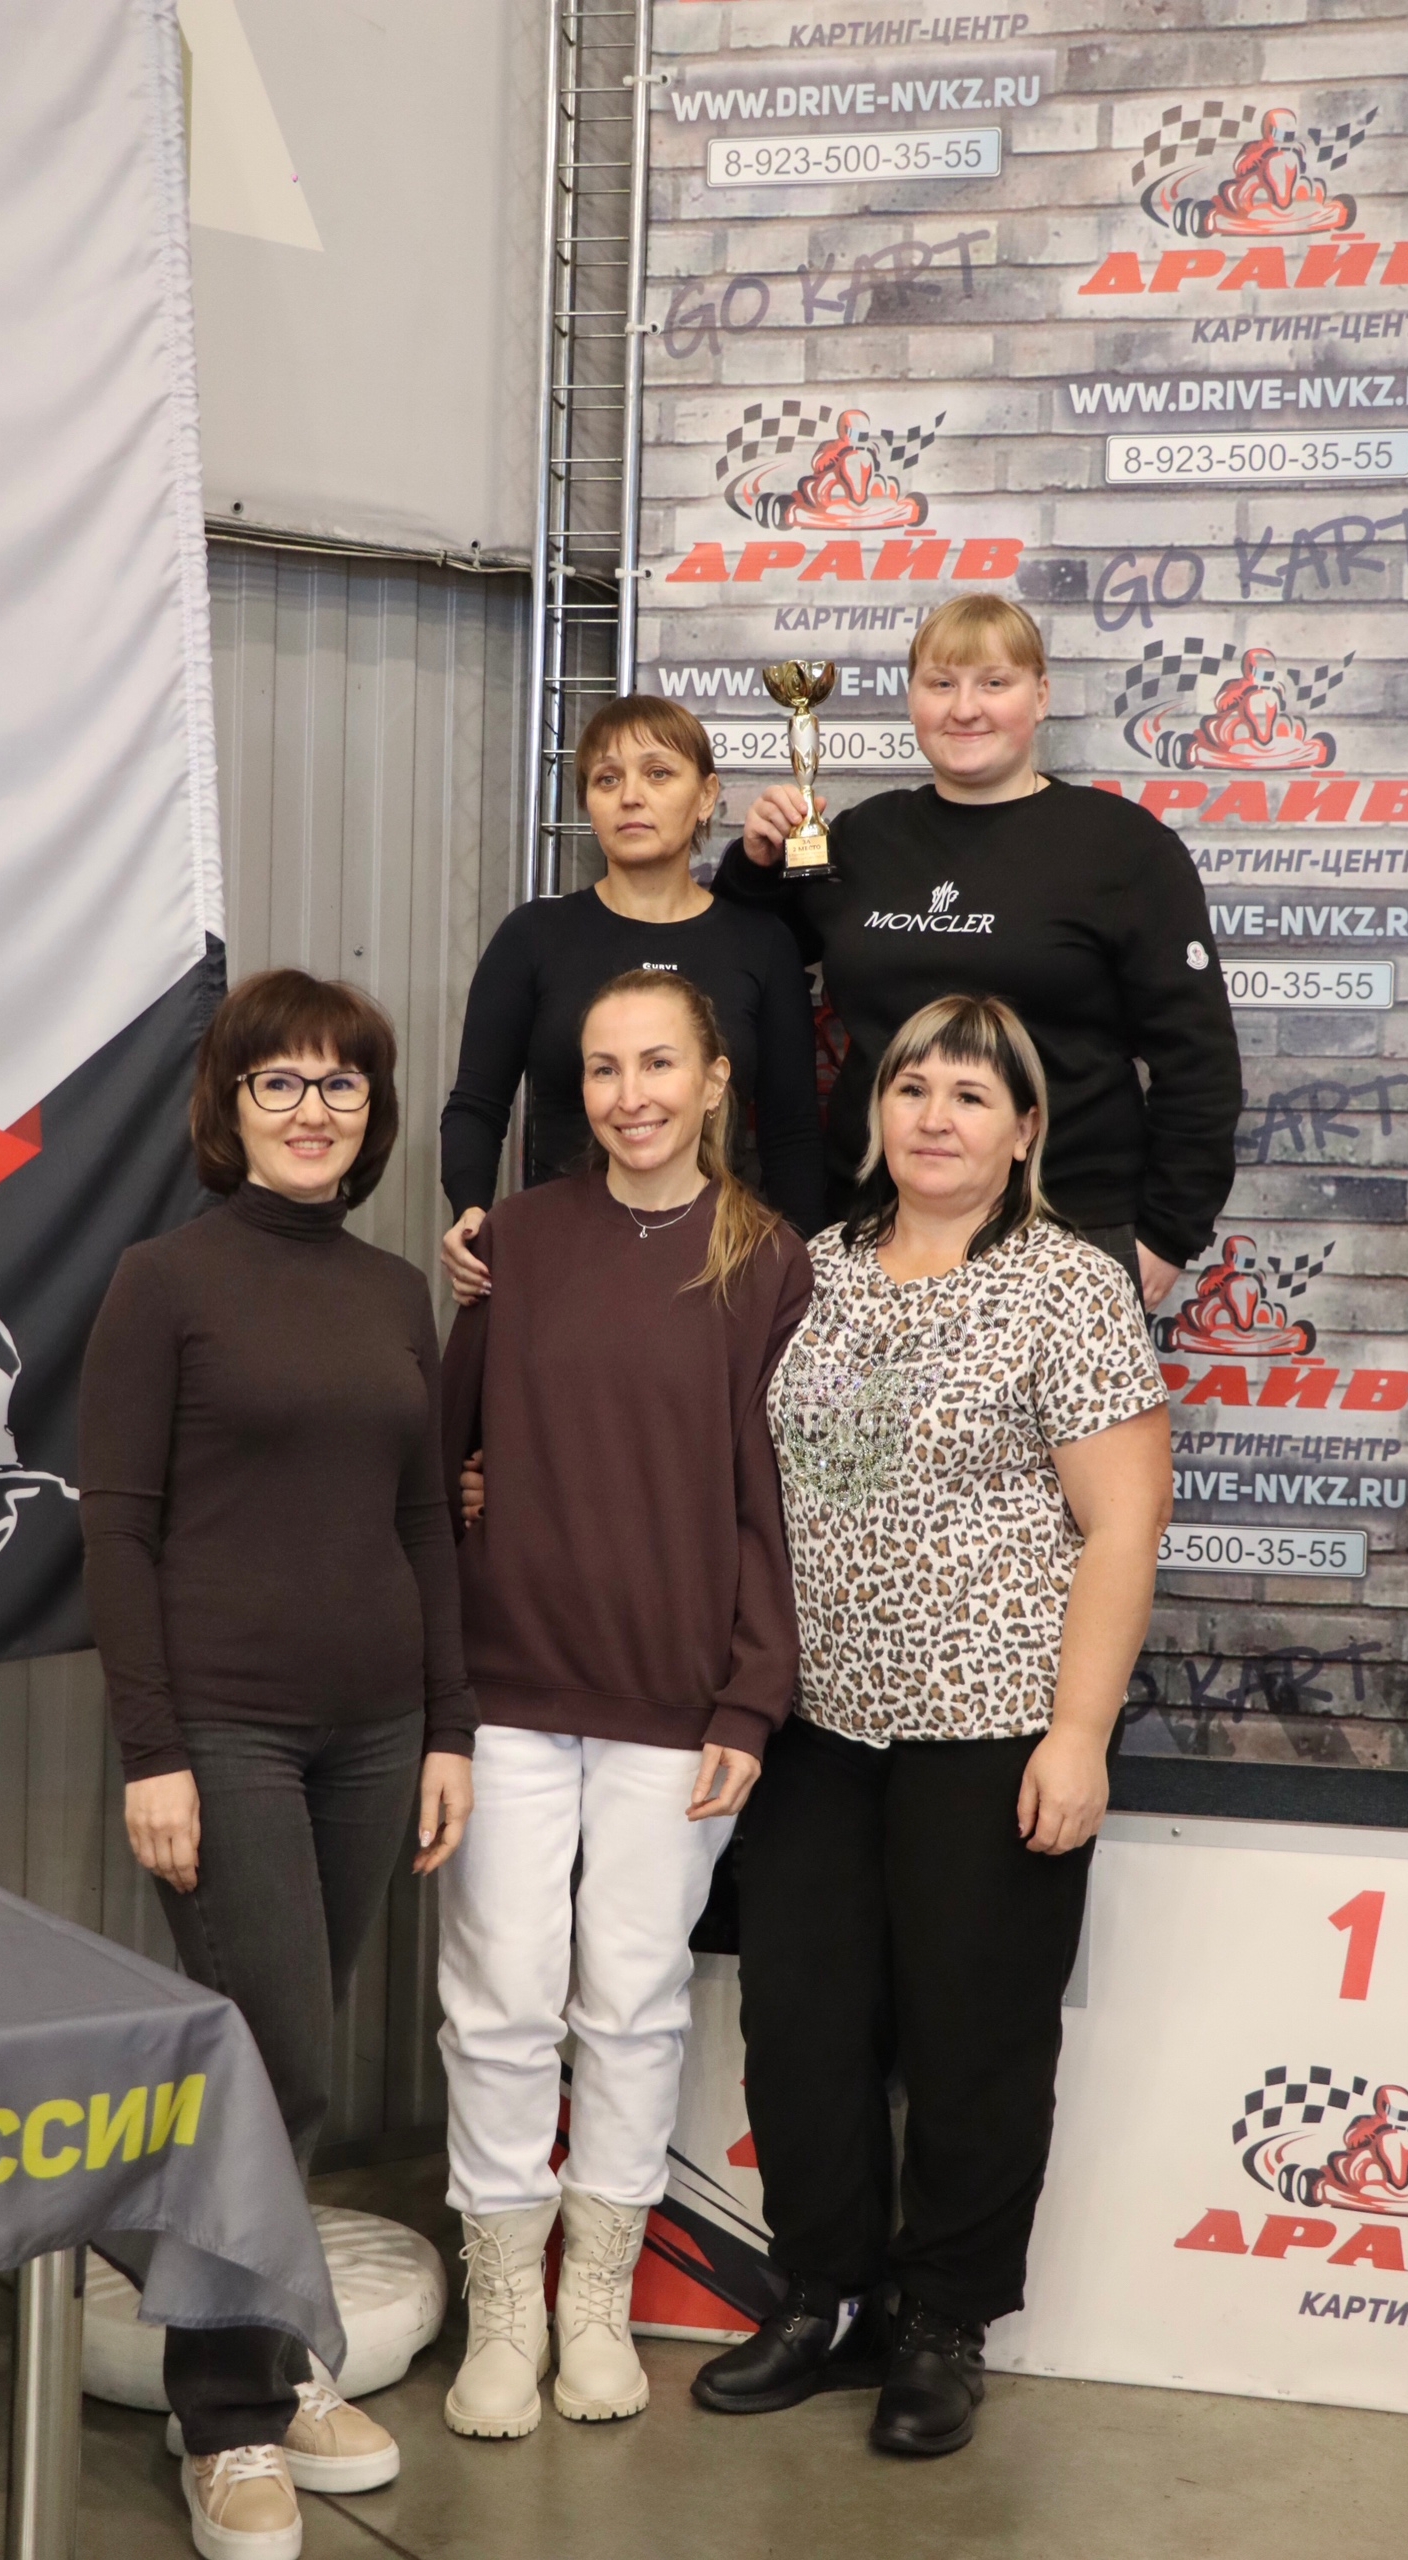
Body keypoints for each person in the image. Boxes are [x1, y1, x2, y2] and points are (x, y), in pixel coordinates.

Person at [693, 995, 1172, 2458]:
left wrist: (1076, 1734)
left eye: (971, 1094)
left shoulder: (1067, 1285)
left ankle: (940, 2326)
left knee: (974, 2038)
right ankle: (821, 2298)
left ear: (1024, 1130)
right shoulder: (812, 1269)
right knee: (800, 2025)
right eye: (911, 1087)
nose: (935, 1116)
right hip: (815, 1725)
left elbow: (1122, 1524)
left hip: (996, 1725)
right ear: (875, 1112)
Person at [79, 968, 477, 2560]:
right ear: (229, 1109)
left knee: (280, 2066)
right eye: (280, 1083)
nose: (313, 1110)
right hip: (224, 1730)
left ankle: (270, 2350)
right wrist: (154, 1753)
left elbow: (421, 1526)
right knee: (275, 2063)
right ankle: (228, 2420)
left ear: (372, 1114)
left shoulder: (392, 1293)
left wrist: (446, 1727)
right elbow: (117, 1533)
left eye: (341, 1085)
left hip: (373, 1733)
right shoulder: (161, 1283)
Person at [435, 970, 812, 2440]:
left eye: (659, 1064)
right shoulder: (515, 1241)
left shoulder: (764, 1260)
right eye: (601, 1069)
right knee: (499, 2001)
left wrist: (750, 1701)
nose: (629, 1094)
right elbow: (440, 1457)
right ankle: (503, 2303)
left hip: (679, 1701)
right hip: (510, 1686)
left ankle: (594, 2296)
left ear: (714, 1081)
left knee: (633, 2000)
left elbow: (781, 1504)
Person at [714, 591, 1241, 1310]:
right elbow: (744, 961)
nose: (965, 709)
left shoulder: (1123, 848)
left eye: (994, 682)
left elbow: (1198, 1061)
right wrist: (754, 866)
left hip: (1070, 1230)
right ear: (912, 701)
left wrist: (1168, 1234)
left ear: (1041, 696)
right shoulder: (861, 840)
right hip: (876, 1225)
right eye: (941, 683)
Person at [440, 696, 823, 1306]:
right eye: (607, 779)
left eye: (658, 773)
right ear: (588, 803)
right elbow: (476, 1105)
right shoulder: (533, 936)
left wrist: (801, 1272)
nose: (631, 797)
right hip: (562, 1263)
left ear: (707, 795)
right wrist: (470, 1209)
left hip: (721, 1268)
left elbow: (792, 1131)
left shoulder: (762, 943)